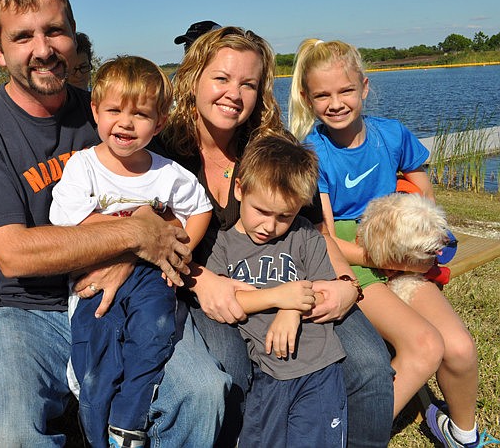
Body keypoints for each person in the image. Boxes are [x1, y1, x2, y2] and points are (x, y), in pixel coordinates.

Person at [0, 0, 228, 447]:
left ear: (73, 35)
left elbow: (173, 205)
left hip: (126, 294)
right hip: (21, 307)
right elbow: (14, 253)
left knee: (203, 393)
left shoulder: (110, 113)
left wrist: (126, 260)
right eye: (23, 37)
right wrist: (135, 236)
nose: (43, 49)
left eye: (54, 31)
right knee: (10, 436)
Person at [156, 26, 394, 447]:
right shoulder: (163, 152)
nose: (234, 93)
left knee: (370, 364)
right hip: (211, 289)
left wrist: (345, 284)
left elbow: (318, 229)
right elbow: (149, 241)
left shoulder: (271, 147)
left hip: (299, 277)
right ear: (194, 78)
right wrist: (201, 280)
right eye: (222, 78)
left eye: (248, 83)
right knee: (233, 367)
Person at [289, 38, 496, 448]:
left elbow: (421, 183)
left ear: (364, 87)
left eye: (346, 90)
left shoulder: (391, 135)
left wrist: (416, 234)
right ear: (306, 98)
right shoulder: (314, 154)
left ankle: (462, 433)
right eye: (323, 95)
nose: (336, 102)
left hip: (395, 254)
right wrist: (383, 259)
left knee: (458, 348)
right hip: (353, 262)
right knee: (423, 346)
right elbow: (326, 237)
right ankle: (353, 435)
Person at [49, 55, 212, 447]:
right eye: (114, 110)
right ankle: (95, 428)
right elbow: (70, 221)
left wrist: (181, 249)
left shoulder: (167, 172)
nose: (125, 122)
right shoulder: (83, 167)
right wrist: (138, 232)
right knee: (97, 358)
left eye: (140, 114)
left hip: (151, 277)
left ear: (159, 123)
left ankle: (128, 421)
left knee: (152, 338)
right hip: (96, 276)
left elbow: (200, 208)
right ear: (95, 111)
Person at [206, 132, 347, 448]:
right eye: (262, 211)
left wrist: (292, 309)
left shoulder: (303, 236)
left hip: (320, 369)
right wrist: (279, 297)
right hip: (267, 374)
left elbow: (325, 288)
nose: (270, 226)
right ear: (240, 189)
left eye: (284, 215)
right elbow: (227, 301)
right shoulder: (224, 245)